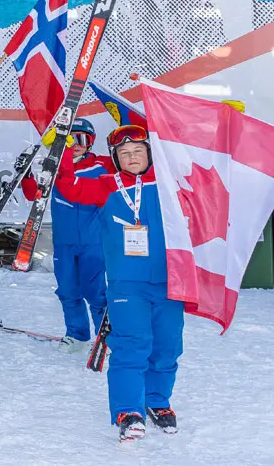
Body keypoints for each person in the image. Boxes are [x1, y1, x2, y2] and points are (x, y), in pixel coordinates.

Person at [53, 124, 182, 443]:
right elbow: (67, 186)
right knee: (131, 345)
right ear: (115, 158)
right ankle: (129, 411)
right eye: (124, 153)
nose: (132, 157)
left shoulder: (167, 182)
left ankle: (157, 401)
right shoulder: (105, 185)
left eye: (138, 151)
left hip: (171, 281)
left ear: (150, 153)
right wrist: (65, 147)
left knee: (167, 347)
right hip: (127, 284)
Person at [21, 118, 114, 352]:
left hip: (93, 242)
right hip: (64, 242)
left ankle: (107, 336)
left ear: (91, 143)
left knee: (96, 292)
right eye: (70, 140)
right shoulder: (53, 168)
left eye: (81, 139)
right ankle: (76, 334)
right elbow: (34, 194)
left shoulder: (101, 166)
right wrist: (26, 174)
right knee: (67, 289)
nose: (76, 145)